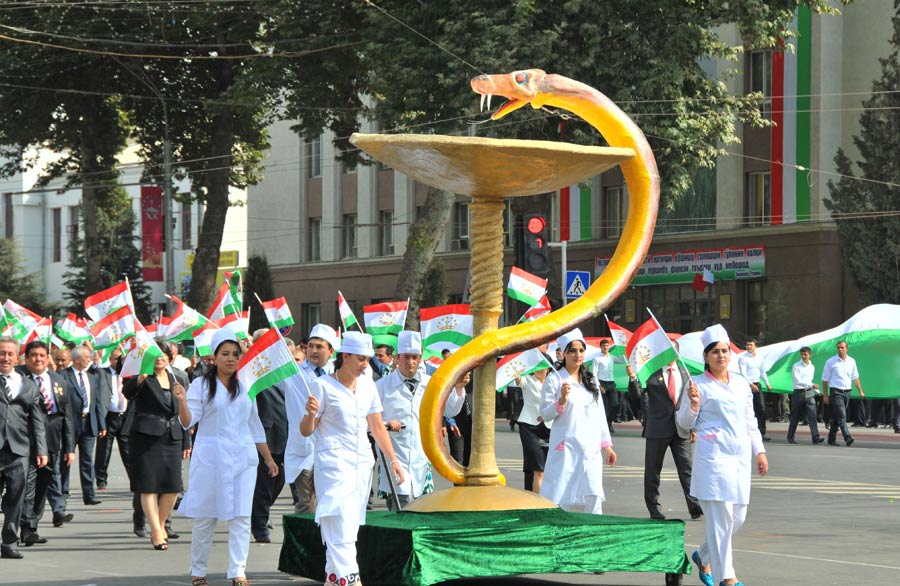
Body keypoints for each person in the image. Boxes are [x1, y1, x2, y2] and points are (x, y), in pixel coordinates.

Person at [173, 329, 279, 586]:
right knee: (206, 517)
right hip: (211, 457)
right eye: (225, 354)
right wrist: (182, 401)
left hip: (243, 458)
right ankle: (198, 571)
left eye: (235, 354)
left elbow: (254, 425)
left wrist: (268, 458)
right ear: (215, 356)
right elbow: (188, 422)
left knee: (242, 516)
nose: (231, 359)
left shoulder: (246, 385)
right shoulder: (201, 384)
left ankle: (238, 572)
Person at [300, 331, 404, 586]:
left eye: (367, 359)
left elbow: (377, 427)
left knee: (349, 527)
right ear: (345, 356)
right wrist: (310, 415)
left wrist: (393, 460)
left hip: (362, 465)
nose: (364, 365)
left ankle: (334, 578)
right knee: (340, 523)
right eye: (359, 359)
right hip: (334, 464)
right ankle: (351, 580)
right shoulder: (322, 386)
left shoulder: (368, 385)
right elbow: (306, 430)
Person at [676, 324, 768, 586]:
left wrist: (759, 451)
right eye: (714, 352)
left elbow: (751, 421)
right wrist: (693, 405)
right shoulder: (697, 385)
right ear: (706, 356)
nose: (721, 356)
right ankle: (726, 578)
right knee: (720, 520)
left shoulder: (741, 384)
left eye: (725, 351)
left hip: (739, 458)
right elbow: (683, 422)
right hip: (713, 459)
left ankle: (703, 554)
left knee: (737, 517)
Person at [375, 331, 463, 509]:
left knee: (421, 510)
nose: (411, 362)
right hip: (395, 457)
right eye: (406, 357)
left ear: (421, 358)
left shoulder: (431, 383)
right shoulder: (381, 386)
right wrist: (386, 424)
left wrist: (459, 387)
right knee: (401, 511)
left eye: (415, 357)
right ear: (397, 358)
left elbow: (451, 409)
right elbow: (369, 422)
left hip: (421, 459)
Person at [540, 328, 616, 514]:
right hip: (566, 445)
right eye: (572, 350)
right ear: (564, 353)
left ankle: (594, 535)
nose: (577, 355)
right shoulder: (554, 380)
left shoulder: (591, 379)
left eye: (581, 350)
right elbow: (545, 414)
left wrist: (607, 445)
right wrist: (561, 401)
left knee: (593, 493)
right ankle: (556, 536)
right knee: (560, 494)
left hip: (591, 447)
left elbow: (599, 414)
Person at [123, 340, 190, 550]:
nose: (160, 357)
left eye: (164, 353)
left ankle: (160, 525)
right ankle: (155, 531)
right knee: (149, 486)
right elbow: (128, 392)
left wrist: (186, 440)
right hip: (146, 437)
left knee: (172, 487)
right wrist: (142, 375)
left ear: (170, 356)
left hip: (173, 436)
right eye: (155, 354)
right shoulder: (143, 378)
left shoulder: (177, 378)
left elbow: (182, 412)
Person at [627, 342, 703, 521]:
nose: (670, 353)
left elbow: (688, 402)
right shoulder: (650, 372)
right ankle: (654, 508)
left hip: (681, 428)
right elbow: (636, 395)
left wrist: (692, 427)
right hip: (657, 428)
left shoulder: (686, 373)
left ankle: (695, 506)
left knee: (687, 469)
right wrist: (632, 379)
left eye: (674, 350)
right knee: (653, 471)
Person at [16, 341, 75, 547]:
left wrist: (69, 447)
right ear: (26, 357)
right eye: (33, 355)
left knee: (43, 485)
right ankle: (25, 527)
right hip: (24, 439)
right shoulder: (18, 378)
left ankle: (32, 526)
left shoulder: (59, 381)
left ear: (48, 358)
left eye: (42, 355)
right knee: (27, 485)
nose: (38, 359)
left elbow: (67, 416)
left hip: (52, 440)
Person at [0, 336, 48, 560]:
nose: (5, 357)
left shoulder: (27, 384)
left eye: (10, 353)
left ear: (17, 356)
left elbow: (37, 421)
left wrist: (42, 450)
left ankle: (9, 543)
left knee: (15, 498)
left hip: (19, 450)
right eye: (2, 353)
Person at [285, 323, 337, 516]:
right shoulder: (293, 372)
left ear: (331, 350)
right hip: (304, 449)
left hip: (331, 448)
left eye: (320, 346)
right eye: (311, 346)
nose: (314, 351)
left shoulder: (338, 375)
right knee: (307, 505)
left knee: (329, 503)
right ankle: (305, 544)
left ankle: (327, 544)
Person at [249, 329, 290, 543]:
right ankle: (260, 527)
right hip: (265, 434)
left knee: (278, 482)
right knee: (264, 483)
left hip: (286, 433)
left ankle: (257, 513)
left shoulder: (285, 369)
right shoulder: (254, 369)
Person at [60, 346, 106, 505]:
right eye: (86, 356)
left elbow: (97, 401)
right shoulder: (63, 376)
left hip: (89, 423)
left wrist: (101, 423)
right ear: (77, 359)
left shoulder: (92, 377)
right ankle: (63, 493)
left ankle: (89, 494)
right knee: (66, 459)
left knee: (87, 460)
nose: (89, 359)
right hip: (70, 424)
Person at [516, 348, 552, 494]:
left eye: (541, 366)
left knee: (547, 466)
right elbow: (518, 379)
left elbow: (558, 404)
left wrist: (547, 414)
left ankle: (540, 496)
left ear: (548, 368)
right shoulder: (528, 380)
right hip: (529, 426)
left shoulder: (554, 383)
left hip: (549, 426)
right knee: (537, 466)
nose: (537, 369)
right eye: (535, 366)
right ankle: (536, 501)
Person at [94, 347, 127, 491]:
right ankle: (101, 480)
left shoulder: (129, 375)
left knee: (128, 451)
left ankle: (135, 479)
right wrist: (95, 362)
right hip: (109, 417)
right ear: (110, 359)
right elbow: (92, 373)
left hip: (125, 417)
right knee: (104, 450)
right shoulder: (103, 373)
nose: (118, 362)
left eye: (121, 359)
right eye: (115, 359)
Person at [822, 340, 865, 447]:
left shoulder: (852, 361)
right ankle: (847, 437)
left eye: (842, 347)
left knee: (837, 416)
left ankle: (831, 438)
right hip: (836, 391)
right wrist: (825, 395)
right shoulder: (831, 362)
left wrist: (860, 391)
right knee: (842, 415)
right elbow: (825, 379)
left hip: (847, 392)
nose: (840, 350)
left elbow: (855, 377)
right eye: (838, 348)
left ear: (847, 348)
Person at [787, 347, 825, 445]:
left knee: (812, 415)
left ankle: (815, 437)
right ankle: (790, 437)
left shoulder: (812, 367)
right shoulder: (796, 366)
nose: (804, 356)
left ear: (810, 355)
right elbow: (798, 381)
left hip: (809, 392)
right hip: (798, 392)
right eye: (802, 355)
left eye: (805, 354)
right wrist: (812, 386)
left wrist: (816, 390)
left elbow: (809, 381)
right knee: (795, 415)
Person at [737, 339, 771, 441]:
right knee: (747, 409)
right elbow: (743, 373)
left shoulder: (759, 358)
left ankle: (761, 432)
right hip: (747, 385)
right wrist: (751, 384)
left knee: (761, 408)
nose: (749, 347)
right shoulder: (743, 358)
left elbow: (762, 372)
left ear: (755, 346)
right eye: (747, 345)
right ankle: (746, 432)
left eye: (751, 345)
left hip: (757, 385)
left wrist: (767, 383)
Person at [591, 339, 618, 432]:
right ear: (601, 347)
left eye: (607, 345)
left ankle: (609, 421)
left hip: (611, 383)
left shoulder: (612, 357)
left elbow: (623, 359)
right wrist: (599, 386)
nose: (605, 347)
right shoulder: (597, 358)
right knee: (604, 406)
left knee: (615, 404)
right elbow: (594, 373)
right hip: (602, 383)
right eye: (603, 346)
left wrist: (621, 348)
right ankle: (606, 425)